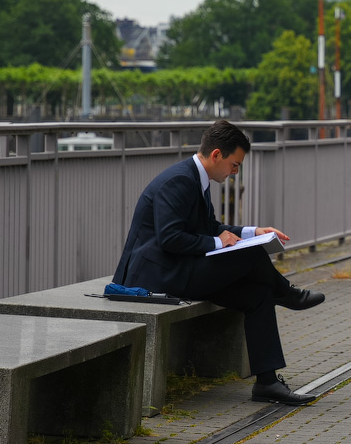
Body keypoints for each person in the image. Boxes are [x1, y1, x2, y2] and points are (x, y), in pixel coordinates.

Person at [112, 119, 324, 406]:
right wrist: (219, 242)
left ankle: (267, 383)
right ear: (216, 155)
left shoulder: (196, 179)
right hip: (156, 277)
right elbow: (169, 238)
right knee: (251, 255)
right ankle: (287, 293)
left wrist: (252, 232)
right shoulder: (179, 181)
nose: (235, 172)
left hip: (180, 270)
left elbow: (210, 226)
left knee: (258, 295)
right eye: (235, 164)